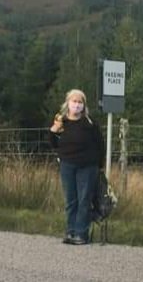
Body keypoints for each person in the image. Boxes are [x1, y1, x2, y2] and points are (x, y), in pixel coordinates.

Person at [49, 89, 103, 245]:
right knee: (71, 200)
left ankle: (81, 233)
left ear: (84, 105)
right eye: (74, 101)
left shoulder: (90, 123)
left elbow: (100, 144)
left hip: (87, 166)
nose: (77, 105)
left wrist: (99, 166)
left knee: (84, 199)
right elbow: (53, 143)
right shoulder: (62, 122)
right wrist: (54, 129)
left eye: (80, 102)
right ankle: (70, 231)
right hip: (67, 164)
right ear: (68, 103)